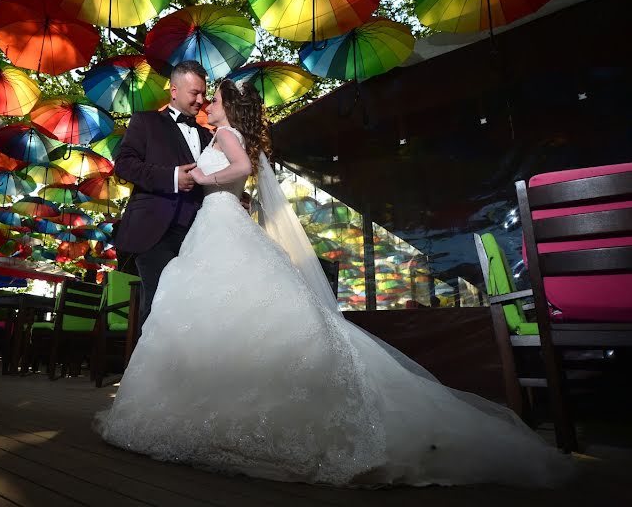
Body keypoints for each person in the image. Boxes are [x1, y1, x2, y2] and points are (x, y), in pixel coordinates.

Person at [95, 78, 574, 488]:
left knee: (223, 310)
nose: (207, 104)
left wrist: (201, 176)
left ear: (228, 106)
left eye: (213, 98)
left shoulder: (223, 133)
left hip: (218, 223)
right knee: (220, 313)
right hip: (216, 226)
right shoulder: (219, 131)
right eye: (203, 97)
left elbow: (238, 169)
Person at [113, 60, 212, 331]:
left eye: (204, 93)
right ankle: (146, 373)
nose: (201, 100)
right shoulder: (145, 122)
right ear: (174, 90)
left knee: (190, 310)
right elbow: (123, 164)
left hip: (197, 236)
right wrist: (172, 178)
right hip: (153, 232)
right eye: (195, 93)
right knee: (160, 305)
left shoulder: (207, 135)